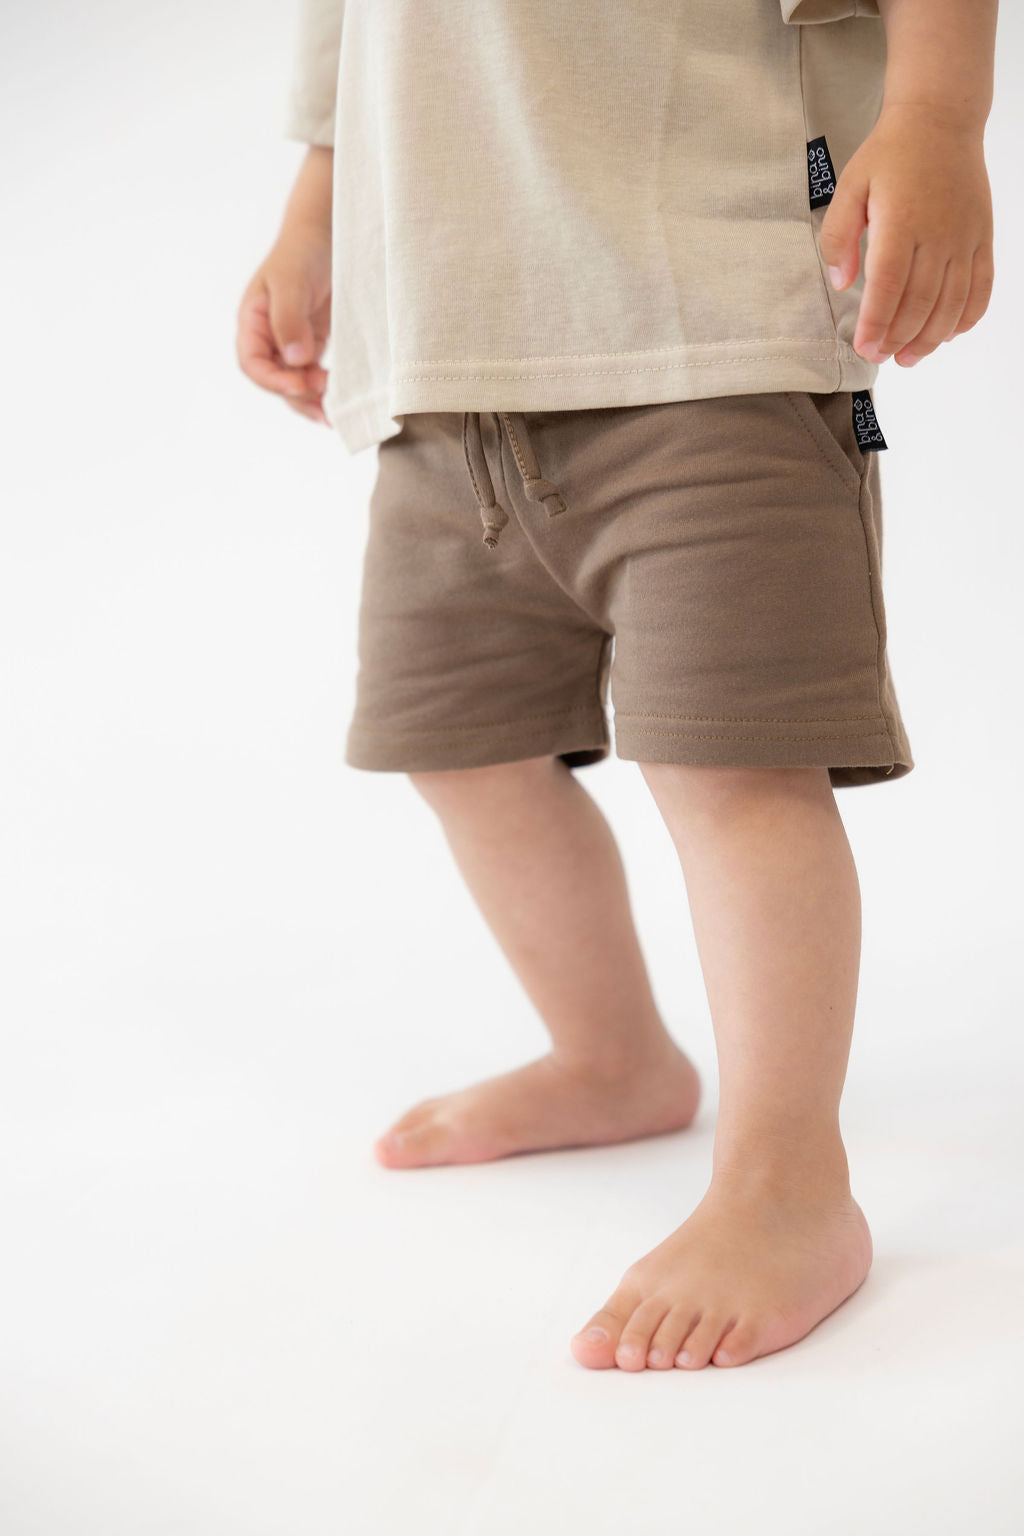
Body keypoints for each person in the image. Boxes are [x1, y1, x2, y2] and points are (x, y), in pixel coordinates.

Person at [236, 0, 996, 1372]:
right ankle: (612, 1058)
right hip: (439, 362)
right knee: (457, 748)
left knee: (733, 766)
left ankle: (788, 1180)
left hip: (714, 328)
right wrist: (315, 204)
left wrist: (939, 116)